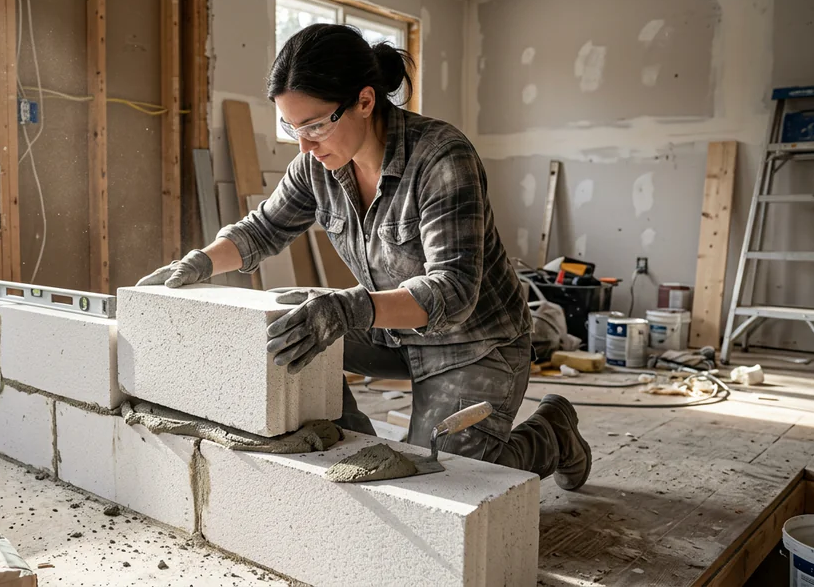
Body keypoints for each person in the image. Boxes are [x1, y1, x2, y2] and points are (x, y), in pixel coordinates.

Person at [137, 24, 591, 490]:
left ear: (365, 101)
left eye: (314, 125)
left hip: (472, 343)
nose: (304, 145)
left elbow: (454, 292)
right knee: (278, 327)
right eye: (292, 128)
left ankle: (553, 432)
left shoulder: (441, 158)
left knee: (448, 479)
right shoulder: (316, 167)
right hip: (390, 331)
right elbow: (263, 229)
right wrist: (200, 262)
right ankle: (358, 446)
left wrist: (351, 307)